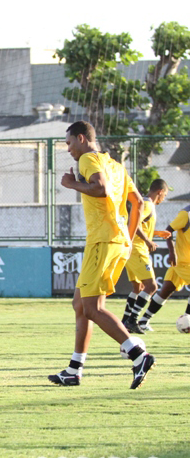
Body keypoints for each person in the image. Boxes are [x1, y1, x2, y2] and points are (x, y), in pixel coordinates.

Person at [49, 121, 154, 389]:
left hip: (102, 241)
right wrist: (129, 239)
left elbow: (101, 189)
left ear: (82, 138)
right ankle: (74, 369)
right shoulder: (116, 165)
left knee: (93, 308)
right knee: (80, 305)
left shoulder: (88, 158)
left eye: (69, 142)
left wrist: (72, 184)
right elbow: (138, 203)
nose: (68, 148)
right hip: (117, 241)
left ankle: (137, 354)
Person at [120, 179, 169, 334]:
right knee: (152, 286)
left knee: (138, 287)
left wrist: (155, 233)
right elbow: (133, 223)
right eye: (164, 195)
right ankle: (133, 321)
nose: (164, 199)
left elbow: (139, 226)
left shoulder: (146, 205)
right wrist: (148, 240)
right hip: (138, 250)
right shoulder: (147, 205)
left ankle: (125, 320)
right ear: (160, 192)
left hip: (132, 249)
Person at [134, 202, 190, 330]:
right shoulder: (186, 214)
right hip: (182, 261)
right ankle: (188, 319)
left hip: (184, 262)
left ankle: (143, 320)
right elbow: (168, 231)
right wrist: (172, 252)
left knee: (166, 290)